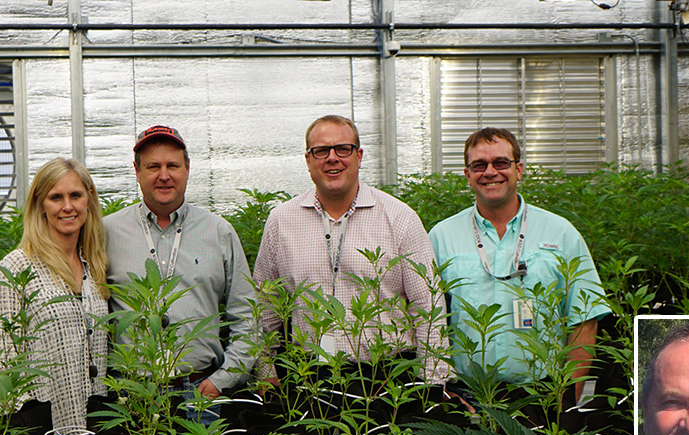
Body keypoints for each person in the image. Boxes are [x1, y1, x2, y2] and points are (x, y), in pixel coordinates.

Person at [252, 115, 449, 388]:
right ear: (308, 161)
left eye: (342, 149)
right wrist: (265, 371)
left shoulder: (399, 217)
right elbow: (265, 306)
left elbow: (428, 306)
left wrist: (433, 384)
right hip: (308, 375)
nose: (332, 158)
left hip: (387, 376)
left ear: (358, 156)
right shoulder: (281, 221)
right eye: (321, 151)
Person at [428, 128, 610, 401]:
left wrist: (570, 397)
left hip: (544, 394)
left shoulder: (560, 233)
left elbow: (584, 319)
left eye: (501, 163)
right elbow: (425, 322)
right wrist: (444, 392)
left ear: (519, 170)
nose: (490, 172)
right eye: (479, 165)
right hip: (467, 397)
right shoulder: (441, 237)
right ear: (467, 175)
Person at [103, 125, 255, 405]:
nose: (164, 176)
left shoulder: (218, 232)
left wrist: (223, 380)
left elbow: (247, 315)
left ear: (187, 168)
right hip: (132, 395)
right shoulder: (107, 233)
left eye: (172, 165)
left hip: (202, 392)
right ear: (137, 172)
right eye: (153, 166)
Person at [0, 157, 109, 435]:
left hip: (98, 431)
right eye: (56, 197)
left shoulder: (95, 264)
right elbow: (3, 362)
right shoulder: (15, 268)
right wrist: (31, 433)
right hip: (46, 434)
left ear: (89, 200)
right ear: (40, 205)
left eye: (76, 195)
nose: (67, 206)